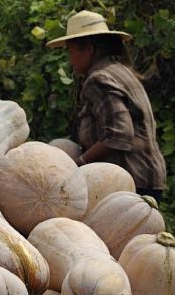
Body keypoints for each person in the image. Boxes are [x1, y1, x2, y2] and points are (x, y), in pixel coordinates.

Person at [47, 10, 166, 196]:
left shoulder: (99, 79)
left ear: (88, 49)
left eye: (70, 51)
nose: (69, 59)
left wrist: (79, 165)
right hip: (147, 176)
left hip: (132, 181)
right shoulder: (119, 70)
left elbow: (119, 135)